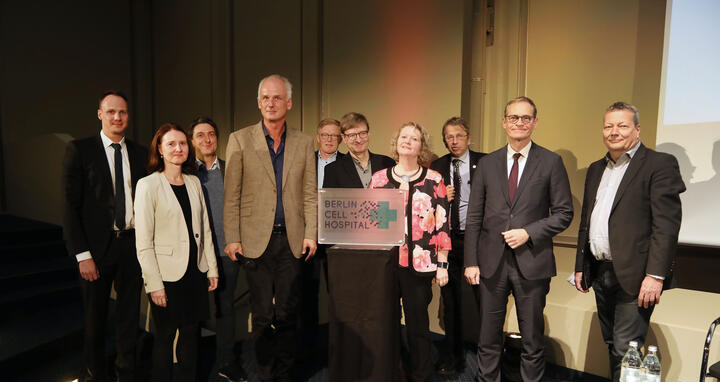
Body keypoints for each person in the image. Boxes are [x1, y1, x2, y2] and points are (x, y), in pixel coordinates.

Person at [573, 102, 685, 382]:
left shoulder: (659, 164)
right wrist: (581, 266)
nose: (614, 132)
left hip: (637, 276)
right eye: (609, 125)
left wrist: (655, 275)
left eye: (622, 125)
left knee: (626, 347)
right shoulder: (597, 168)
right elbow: (587, 221)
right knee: (612, 343)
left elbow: (666, 225)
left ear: (637, 129)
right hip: (600, 271)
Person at [464, 96, 573, 382]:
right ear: (504, 122)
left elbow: (564, 213)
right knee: (487, 337)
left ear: (535, 122)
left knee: (532, 340)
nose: (519, 123)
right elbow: (474, 217)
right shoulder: (487, 164)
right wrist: (471, 261)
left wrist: (529, 232)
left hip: (532, 263)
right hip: (490, 264)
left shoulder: (551, 162)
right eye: (514, 117)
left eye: (526, 118)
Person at [223, 74, 317, 382]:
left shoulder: (304, 142)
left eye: (277, 98)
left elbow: (308, 193)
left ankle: (284, 376)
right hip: (254, 241)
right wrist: (233, 237)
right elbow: (231, 195)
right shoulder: (240, 139)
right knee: (262, 316)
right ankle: (264, 374)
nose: (270, 103)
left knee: (288, 315)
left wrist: (310, 233)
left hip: (291, 241)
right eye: (265, 97)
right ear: (258, 103)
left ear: (288, 103)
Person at [63, 90, 147, 382]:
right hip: (96, 251)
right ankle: (95, 374)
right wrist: (82, 255)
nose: (117, 117)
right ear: (100, 114)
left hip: (132, 247)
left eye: (122, 112)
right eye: (111, 112)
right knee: (95, 320)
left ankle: (127, 373)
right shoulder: (80, 150)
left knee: (128, 319)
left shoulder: (140, 153)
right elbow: (70, 207)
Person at [134, 123, 219, 382]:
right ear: (159, 149)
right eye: (171, 144)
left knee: (191, 334)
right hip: (166, 276)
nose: (178, 148)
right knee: (165, 336)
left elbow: (204, 229)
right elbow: (143, 242)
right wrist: (154, 284)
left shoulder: (194, 183)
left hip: (195, 271)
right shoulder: (148, 185)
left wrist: (212, 268)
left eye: (182, 143)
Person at [369, 122, 451, 382]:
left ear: (421, 147)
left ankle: (421, 376)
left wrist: (443, 265)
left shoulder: (434, 179)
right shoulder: (379, 179)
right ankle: (392, 373)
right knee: (387, 324)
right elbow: (371, 223)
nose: (407, 141)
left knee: (418, 326)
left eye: (414, 138)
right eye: (403, 136)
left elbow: (442, 225)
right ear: (396, 143)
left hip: (421, 264)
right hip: (386, 264)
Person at [189, 117, 247, 382]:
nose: (207, 139)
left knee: (225, 309)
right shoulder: (185, 172)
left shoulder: (231, 169)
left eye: (211, 134)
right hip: (194, 255)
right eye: (200, 135)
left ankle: (226, 361)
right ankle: (191, 366)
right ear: (192, 141)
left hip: (226, 253)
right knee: (193, 312)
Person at [429, 117, 485, 375]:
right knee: (450, 302)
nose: (454, 141)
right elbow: (426, 206)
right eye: (449, 137)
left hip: (478, 241)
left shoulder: (485, 162)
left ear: (468, 137)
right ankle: (452, 355)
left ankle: (486, 358)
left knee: (483, 300)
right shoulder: (437, 166)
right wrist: (441, 198)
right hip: (447, 242)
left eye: (459, 136)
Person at [322, 112, 395, 188]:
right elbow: (329, 199)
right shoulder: (333, 170)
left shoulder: (387, 163)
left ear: (368, 134)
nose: (358, 140)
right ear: (344, 138)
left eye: (362, 133)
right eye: (352, 135)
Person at [315, 118, 344, 188]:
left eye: (334, 135)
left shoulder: (349, 163)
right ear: (318, 138)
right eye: (325, 135)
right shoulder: (306, 160)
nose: (329, 139)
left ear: (340, 139)